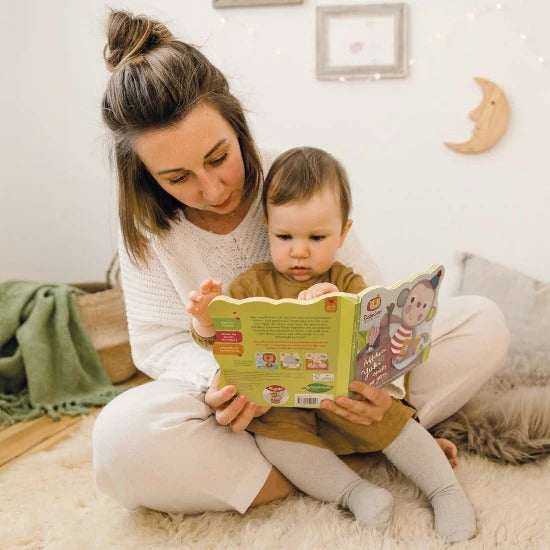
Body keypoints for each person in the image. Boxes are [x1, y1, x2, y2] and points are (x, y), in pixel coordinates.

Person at [92, 10, 510, 522]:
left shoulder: (294, 177)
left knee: (481, 321)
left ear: (236, 122)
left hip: (341, 393)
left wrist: (385, 390)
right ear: (146, 176)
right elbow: (157, 342)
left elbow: (371, 302)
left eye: (219, 157)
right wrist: (225, 381)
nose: (212, 189)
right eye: (177, 177)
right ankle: (342, 461)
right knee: (120, 441)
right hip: (251, 413)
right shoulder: (147, 225)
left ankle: (365, 438)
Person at [186, 147, 476, 542]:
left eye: (317, 237)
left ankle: (445, 491)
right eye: (284, 236)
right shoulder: (250, 285)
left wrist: (336, 305)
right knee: (275, 442)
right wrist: (206, 319)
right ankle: (355, 493)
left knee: (392, 417)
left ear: (342, 233)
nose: (299, 250)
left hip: (344, 397)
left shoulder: (348, 281)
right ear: (266, 226)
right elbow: (223, 341)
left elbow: (373, 333)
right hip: (280, 405)